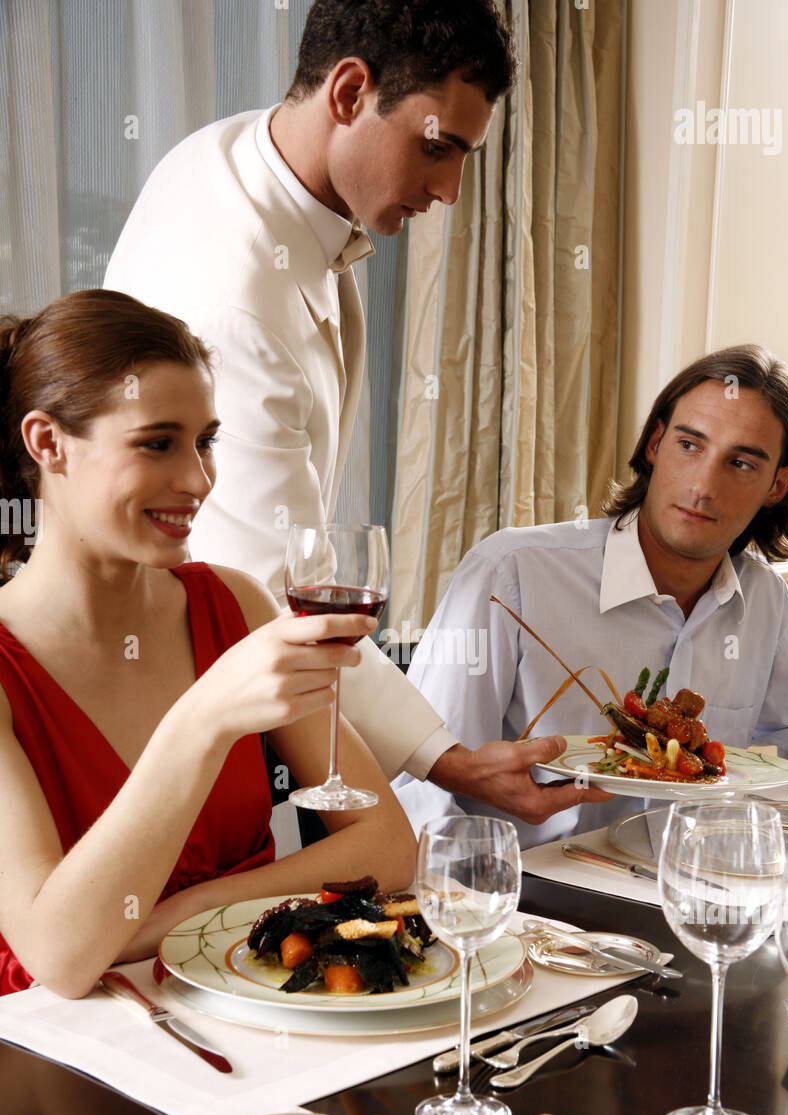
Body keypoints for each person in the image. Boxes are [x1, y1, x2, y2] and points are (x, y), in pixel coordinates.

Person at [104, 0, 605, 830]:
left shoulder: (255, 164)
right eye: (436, 147)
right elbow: (271, 598)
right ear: (348, 92)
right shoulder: (235, 289)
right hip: (183, 694)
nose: (448, 189)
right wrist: (450, 762)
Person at [0, 289, 416, 997]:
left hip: (248, 1005)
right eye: (157, 443)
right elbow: (62, 960)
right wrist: (203, 718)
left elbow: (388, 845)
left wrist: (174, 916)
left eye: (205, 442)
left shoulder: (234, 603)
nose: (198, 480)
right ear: (48, 444)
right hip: (66, 1057)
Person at [394, 345, 788, 846]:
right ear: (655, 443)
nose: (703, 486)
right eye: (690, 445)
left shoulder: (767, 600)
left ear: (777, 485)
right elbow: (418, 785)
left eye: (741, 463)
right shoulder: (509, 574)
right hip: (531, 900)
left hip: (693, 888)